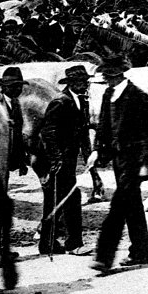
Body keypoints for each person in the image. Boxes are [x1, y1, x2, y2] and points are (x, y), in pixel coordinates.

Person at [89, 55, 148, 274]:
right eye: (106, 77)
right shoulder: (108, 94)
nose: (108, 81)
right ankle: (141, 251)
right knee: (133, 206)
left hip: (134, 160)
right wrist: (96, 150)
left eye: (110, 76)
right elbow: (103, 125)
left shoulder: (138, 97)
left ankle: (104, 257)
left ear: (119, 75)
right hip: (118, 160)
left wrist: (145, 163)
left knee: (118, 207)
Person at [37, 65, 93, 256]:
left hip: (68, 159)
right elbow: (48, 132)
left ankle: (48, 244)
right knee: (66, 198)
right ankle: (73, 243)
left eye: (86, 81)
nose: (85, 84)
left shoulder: (80, 100)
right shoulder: (60, 102)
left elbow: (80, 128)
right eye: (81, 81)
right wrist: (56, 158)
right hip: (59, 160)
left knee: (59, 200)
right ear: (72, 83)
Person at [0, 66, 27, 267]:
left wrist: (20, 160)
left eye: (19, 86)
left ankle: (0, 249)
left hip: (6, 160)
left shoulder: (15, 103)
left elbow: (16, 134)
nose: (17, 89)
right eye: (13, 86)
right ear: (4, 87)